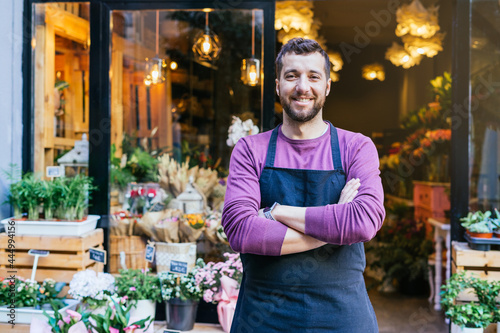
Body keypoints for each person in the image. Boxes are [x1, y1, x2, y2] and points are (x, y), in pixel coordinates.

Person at [221, 38, 385, 332]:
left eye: (313, 76)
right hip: (262, 317)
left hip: (342, 315)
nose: (302, 87)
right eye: (291, 76)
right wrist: (336, 224)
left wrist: (277, 212)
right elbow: (240, 230)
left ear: (328, 86)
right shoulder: (250, 150)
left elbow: (363, 220)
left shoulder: (356, 147)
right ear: (277, 85)